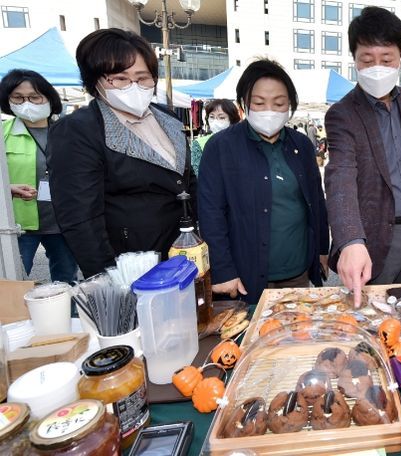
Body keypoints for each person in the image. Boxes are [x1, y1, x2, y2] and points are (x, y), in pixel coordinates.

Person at [47, 29, 196, 278]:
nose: (133, 87)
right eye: (120, 78)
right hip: (130, 263)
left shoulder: (167, 118)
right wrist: (109, 279)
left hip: (180, 251)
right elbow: (80, 218)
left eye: (142, 78)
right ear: (95, 81)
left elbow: (186, 180)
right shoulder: (78, 130)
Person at [324, 7, 401, 307]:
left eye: (387, 59)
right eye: (367, 60)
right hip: (374, 237)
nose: (377, 68)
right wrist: (351, 240)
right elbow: (340, 176)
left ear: (400, 57)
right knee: (372, 316)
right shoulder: (342, 114)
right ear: (354, 60)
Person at [198, 59, 329, 304]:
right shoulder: (221, 147)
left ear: (290, 105)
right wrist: (223, 269)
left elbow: (316, 201)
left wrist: (322, 250)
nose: (269, 110)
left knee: (296, 326)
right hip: (245, 276)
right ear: (244, 104)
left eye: (279, 103)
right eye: (259, 103)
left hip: (296, 272)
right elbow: (210, 213)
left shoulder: (301, 144)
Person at [0, 69, 78, 282]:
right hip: (19, 225)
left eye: (34, 97)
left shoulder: (68, 132)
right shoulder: (3, 133)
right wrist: (7, 189)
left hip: (63, 221)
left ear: (49, 97)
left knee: (66, 280)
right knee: (11, 281)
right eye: (18, 97)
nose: (27, 103)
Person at [190, 98, 240, 175]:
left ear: (232, 120)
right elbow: (199, 173)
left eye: (221, 117)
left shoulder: (241, 142)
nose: (215, 121)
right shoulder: (199, 143)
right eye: (212, 117)